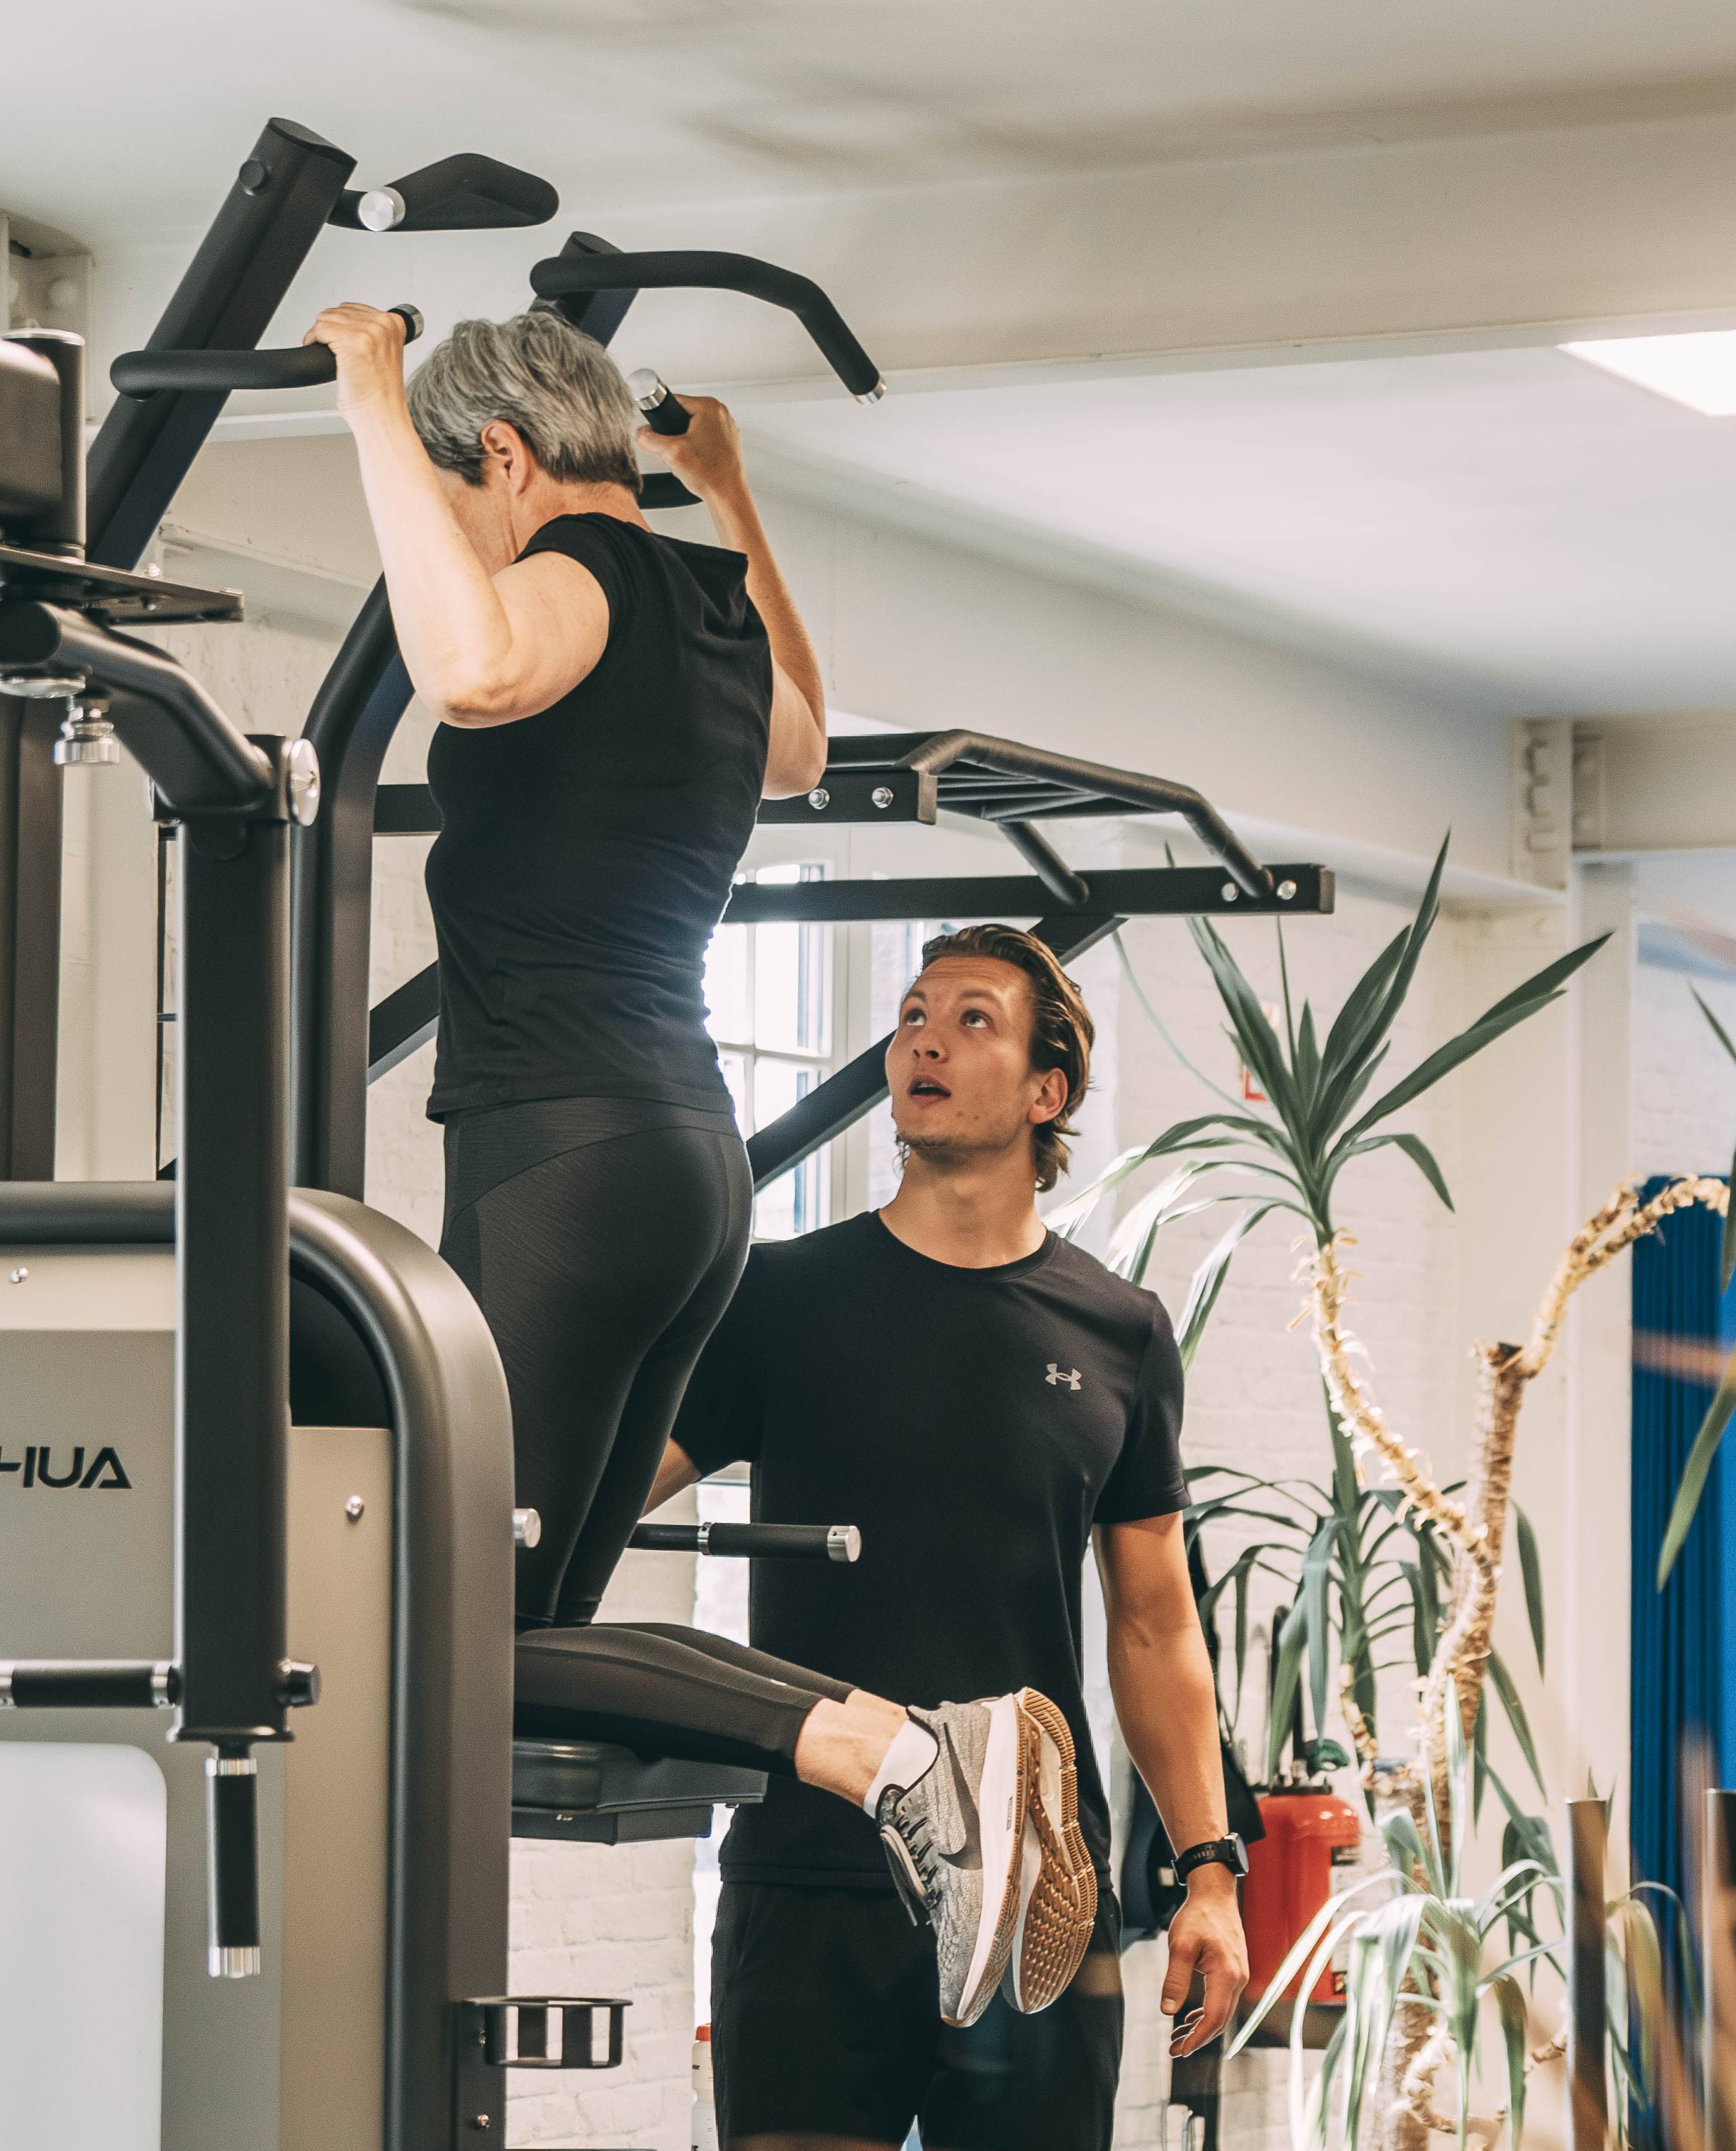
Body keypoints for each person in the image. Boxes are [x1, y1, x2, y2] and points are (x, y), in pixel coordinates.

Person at [301, 303, 1095, 2028]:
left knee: (436, 1632)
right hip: (678, 1166)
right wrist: (725, 495)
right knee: (510, 1647)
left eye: (461, 495)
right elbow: (802, 738)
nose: (462, 536)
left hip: (565, 1161)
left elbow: (472, 668)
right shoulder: (702, 607)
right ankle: (911, 1755)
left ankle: (894, 1747)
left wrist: (371, 387)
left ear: (500, 461)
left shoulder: (575, 580)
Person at [648, 924, 1251, 2151]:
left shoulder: (1115, 1329)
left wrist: (1208, 1869)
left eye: (971, 1015)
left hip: (1039, 1891)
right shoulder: (776, 1298)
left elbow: (1151, 1621)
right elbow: (598, 1487)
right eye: (914, 1011)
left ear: (1046, 1091)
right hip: (810, 1871)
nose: (922, 1033)